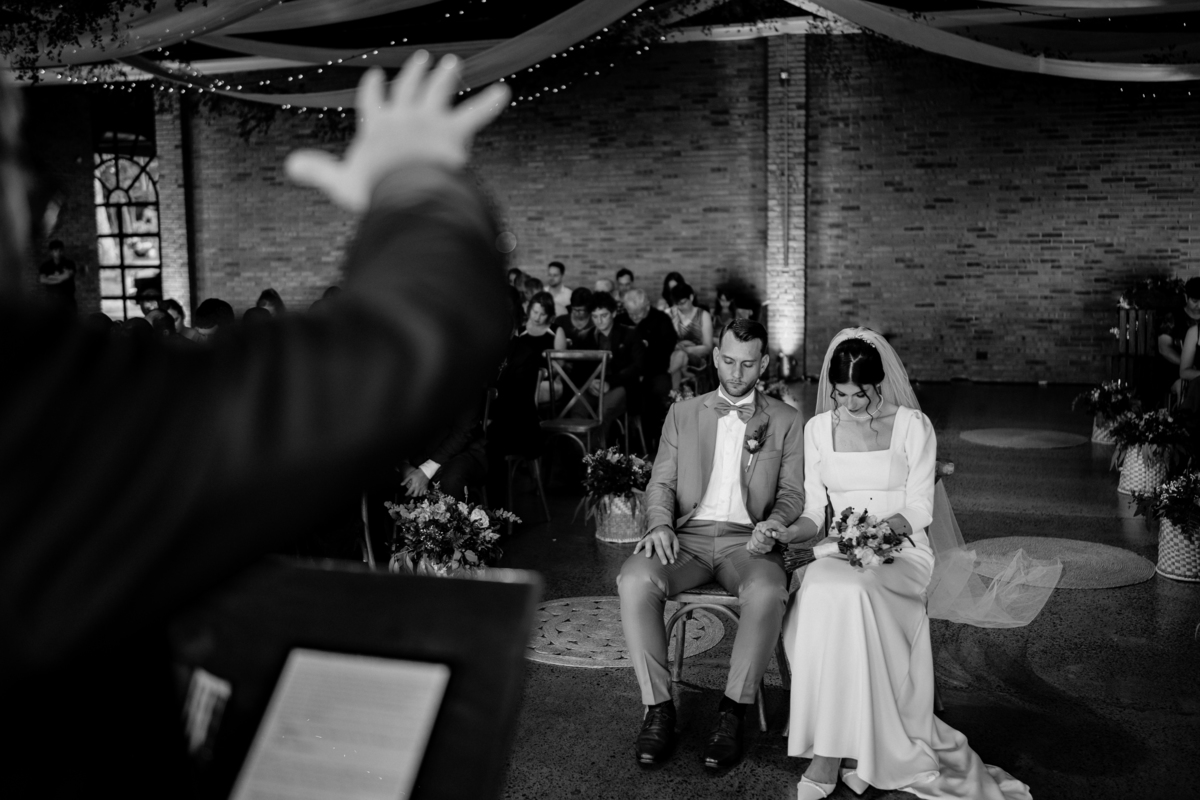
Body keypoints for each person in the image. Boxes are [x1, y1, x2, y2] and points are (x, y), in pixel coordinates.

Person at [0, 53, 512, 798]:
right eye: (26, 174)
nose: (48, 216)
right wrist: (415, 177)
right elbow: (411, 339)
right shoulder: (32, 406)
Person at [752, 329, 1047, 800]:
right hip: (837, 548)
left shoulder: (913, 425)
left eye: (860, 394)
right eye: (840, 394)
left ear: (878, 385)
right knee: (824, 592)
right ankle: (851, 746)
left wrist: (868, 534)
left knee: (854, 593)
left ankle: (829, 755)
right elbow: (813, 512)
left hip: (902, 550)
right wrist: (790, 532)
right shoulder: (816, 430)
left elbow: (918, 510)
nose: (849, 404)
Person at [618, 318, 802, 770]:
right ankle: (658, 709)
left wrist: (774, 524)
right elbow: (660, 483)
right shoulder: (683, 413)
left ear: (762, 364)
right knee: (634, 579)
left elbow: (793, 493)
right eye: (729, 361)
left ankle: (732, 712)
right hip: (688, 540)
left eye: (748, 364)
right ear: (716, 356)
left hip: (749, 544)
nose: (737, 373)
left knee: (766, 592)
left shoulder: (786, 419)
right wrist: (660, 524)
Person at [569, 292, 645, 445]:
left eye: (604, 315)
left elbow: (638, 366)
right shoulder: (584, 336)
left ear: (614, 313)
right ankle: (582, 454)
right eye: (595, 316)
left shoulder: (630, 333)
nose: (599, 320)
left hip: (621, 386)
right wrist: (590, 383)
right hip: (593, 386)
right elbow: (577, 369)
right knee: (577, 408)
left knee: (603, 411)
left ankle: (598, 459)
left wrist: (609, 382)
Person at [621, 287, 677, 447]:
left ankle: (654, 437)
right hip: (628, 372)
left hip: (654, 369)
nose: (634, 317)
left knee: (659, 390)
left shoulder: (661, 319)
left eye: (638, 313)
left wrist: (646, 347)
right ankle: (627, 437)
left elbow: (667, 347)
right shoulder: (621, 319)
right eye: (631, 313)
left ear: (647, 306)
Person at [666, 281, 715, 391]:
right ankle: (676, 394)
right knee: (679, 356)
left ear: (691, 297)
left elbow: (707, 347)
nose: (680, 307)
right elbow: (664, 342)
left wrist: (687, 349)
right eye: (677, 303)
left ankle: (667, 376)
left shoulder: (703, 315)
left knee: (680, 355)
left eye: (682, 303)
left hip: (697, 356)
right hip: (675, 354)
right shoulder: (670, 314)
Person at [38, 238, 76, 312]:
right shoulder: (45, 266)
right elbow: (42, 280)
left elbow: (67, 276)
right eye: (55, 251)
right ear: (51, 252)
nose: (58, 253)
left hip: (68, 300)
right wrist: (60, 279)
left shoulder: (69, 263)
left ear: (63, 251)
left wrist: (50, 278)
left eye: (60, 250)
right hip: (52, 301)